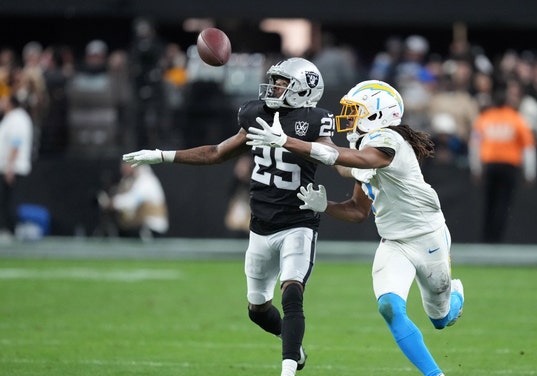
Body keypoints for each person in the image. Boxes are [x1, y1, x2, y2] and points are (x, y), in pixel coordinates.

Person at [122, 57, 332, 376]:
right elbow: (217, 153)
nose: (274, 86)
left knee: (292, 291)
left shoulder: (316, 121)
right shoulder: (256, 114)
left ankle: (288, 369)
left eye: (282, 82)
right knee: (258, 310)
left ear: (304, 90)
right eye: (274, 80)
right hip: (260, 225)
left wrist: (358, 173)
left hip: (299, 222)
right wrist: (162, 156)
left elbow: (336, 157)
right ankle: (292, 343)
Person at [246, 80, 464, 376]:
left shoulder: (390, 141)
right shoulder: (362, 144)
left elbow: (359, 160)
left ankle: (456, 296)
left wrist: (287, 141)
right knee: (389, 307)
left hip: (428, 237)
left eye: (357, 110)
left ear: (379, 114)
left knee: (440, 319)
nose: (349, 116)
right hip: (394, 242)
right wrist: (326, 206)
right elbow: (359, 209)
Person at [468, 82, 537, 243]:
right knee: (503, 203)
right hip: (509, 166)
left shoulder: (484, 118)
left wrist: (476, 168)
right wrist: (530, 172)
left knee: (489, 204)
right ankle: (497, 239)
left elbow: (474, 145)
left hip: (490, 165)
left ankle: (486, 239)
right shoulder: (517, 119)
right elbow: (528, 148)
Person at [96, 161, 168, 240]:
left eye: (125, 166)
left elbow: (132, 201)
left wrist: (110, 202)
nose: (122, 170)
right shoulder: (132, 180)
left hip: (152, 228)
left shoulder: (146, 180)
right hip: (141, 226)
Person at [0, 95, 33, 241]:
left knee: (10, 202)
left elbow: (16, 143)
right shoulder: (10, 118)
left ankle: (9, 231)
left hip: (14, 168)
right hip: (8, 167)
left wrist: (10, 167)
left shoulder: (18, 119)